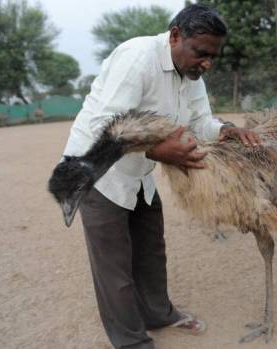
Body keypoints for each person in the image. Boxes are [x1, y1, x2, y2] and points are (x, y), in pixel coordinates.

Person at [60, 4, 259, 349]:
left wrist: (227, 130)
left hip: (138, 173)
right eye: (201, 53)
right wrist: (156, 151)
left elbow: (200, 123)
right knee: (115, 266)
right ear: (176, 35)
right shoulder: (137, 59)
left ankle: (158, 314)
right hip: (99, 171)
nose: (207, 63)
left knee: (152, 250)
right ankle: (132, 340)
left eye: (213, 56)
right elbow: (100, 126)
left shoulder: (191, 73)